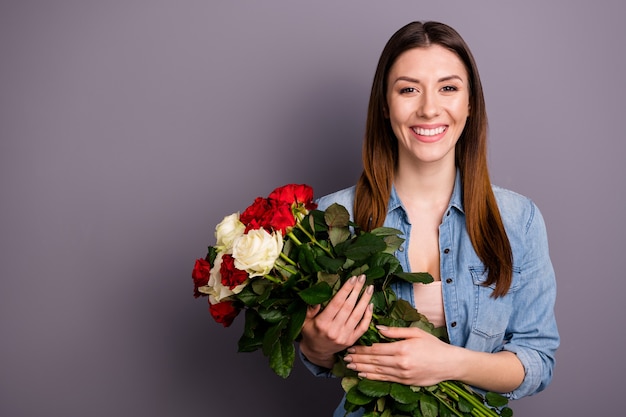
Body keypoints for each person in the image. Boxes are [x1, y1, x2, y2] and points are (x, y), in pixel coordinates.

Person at [298, 21, 559, 416]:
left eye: (448, 88)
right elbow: (315, 353)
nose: (429, 108)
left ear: (470, 104)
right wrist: (317, 345)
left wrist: (449, 363)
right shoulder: (331, 218)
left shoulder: (518, 220)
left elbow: (538, 360)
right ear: (385, 106)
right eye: (408, 89)